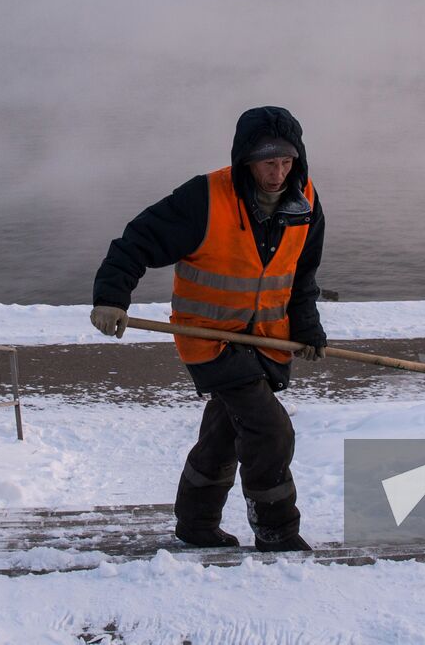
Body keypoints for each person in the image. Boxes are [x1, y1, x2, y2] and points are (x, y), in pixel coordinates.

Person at [90, 106, 327, 552]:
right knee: (271, 432)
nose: (277, 173)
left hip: (264, 339)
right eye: (267, 162)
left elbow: (302, 274)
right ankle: (277, 532)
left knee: (224, 432)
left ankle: (196, 525)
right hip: (209, 339)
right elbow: (135, 242)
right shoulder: (205, 198)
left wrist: (308, 329)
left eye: (286, 162)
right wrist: (110, 299)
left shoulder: (306, 202)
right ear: (245, 160)